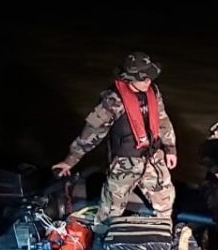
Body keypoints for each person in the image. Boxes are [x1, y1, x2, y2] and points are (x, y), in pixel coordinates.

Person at [51, 51, 177, 228]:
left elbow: (163, 120)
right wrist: (70, 160)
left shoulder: (153, 92)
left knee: (165, 199)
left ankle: (162, 235)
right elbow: (92, 132)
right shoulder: (112, 100)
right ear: (128, 78)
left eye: (149, 77)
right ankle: (100, 241)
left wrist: (170, 149)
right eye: (143, 78)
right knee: (110, 210)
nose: (148, 81)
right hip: (125, 163)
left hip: (153, 157)